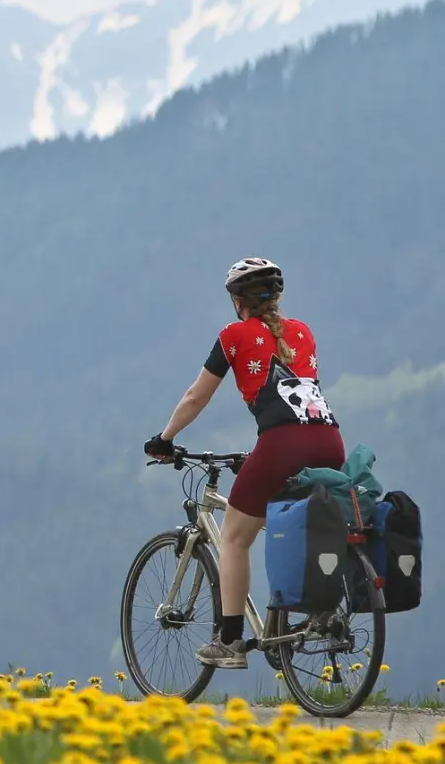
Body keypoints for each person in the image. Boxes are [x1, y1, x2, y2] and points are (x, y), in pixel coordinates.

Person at [144, 257, 344, 669]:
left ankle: (231, 641)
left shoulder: (235, 335)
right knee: (304, 522)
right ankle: (322, 610)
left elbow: (195, 397)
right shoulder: (303, 331)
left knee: (235, 537)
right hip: (330, 442)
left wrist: (165, 440)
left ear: (238, 301)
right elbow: (295, 400)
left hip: (282, 444)